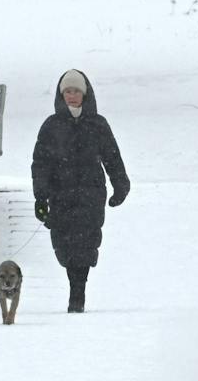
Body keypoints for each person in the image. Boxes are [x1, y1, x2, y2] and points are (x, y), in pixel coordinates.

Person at [31, 67, 130, 312]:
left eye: (76, 91)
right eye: (67, 91)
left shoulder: (98, 124)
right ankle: (75, 287)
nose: (72, 96)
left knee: (86, 243)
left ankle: (78, 294)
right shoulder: (51, 126)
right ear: (61, 95)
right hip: (61, 195)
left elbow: (112, 156)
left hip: (90, 193)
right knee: (64, 244)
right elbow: (40, 163)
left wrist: (121, 185)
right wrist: (41, 196)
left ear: (85, 94)